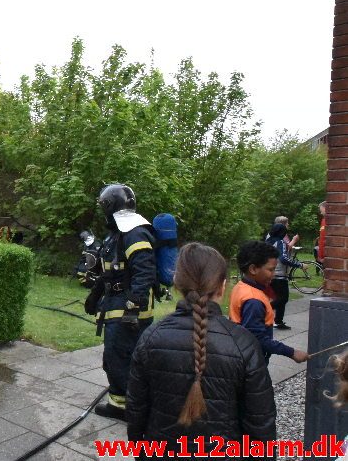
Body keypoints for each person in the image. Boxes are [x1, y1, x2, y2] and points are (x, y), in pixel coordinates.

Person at [127, 243, 276, 456]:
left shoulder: (151, 338)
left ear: (177, 284)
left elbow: (136, 409)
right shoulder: (244, 344)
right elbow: (260, 422)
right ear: (223, 286)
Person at [87, 184, 157, 421]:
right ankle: (121, 402)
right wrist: (94, 295)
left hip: (128, 309)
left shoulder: (134, 232)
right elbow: (110, 272)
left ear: (111, 206)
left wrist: (132, 306)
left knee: (120, 356)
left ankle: (128, 407)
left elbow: (144, 272)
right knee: (116, 356)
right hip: (117, 303)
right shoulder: (117, 233)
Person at [229, 241, 309, 364]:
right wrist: (291, 352)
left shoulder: (241, 286)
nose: (274, 274)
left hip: (239, 353)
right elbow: (257, 338)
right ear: (253, 269)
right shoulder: (253, 300)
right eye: (271, 270)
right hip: (251, 362)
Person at [266, 223, 304, 330]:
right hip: (279, 274)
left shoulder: (268, 241)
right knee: (283, 299)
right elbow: (283, 259)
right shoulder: (280, 242)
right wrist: (299, 265)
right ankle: (264, 310)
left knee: (279, 298)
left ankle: (279, 321)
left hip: (270, 274)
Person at [318, 201, 327, 265]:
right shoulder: (323, 220)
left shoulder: (327, 221)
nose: (321, 213)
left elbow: (324, 240)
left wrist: (322, 256)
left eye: (321, 210)